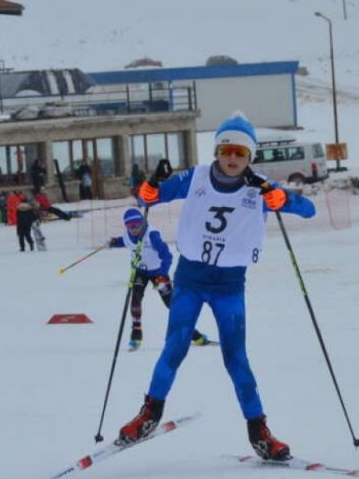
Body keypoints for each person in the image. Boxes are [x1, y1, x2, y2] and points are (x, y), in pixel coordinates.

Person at [118, 111, 315, 460]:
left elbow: (308, 210)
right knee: (174, 347)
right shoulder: (195, 178)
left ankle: (260, 432)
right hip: (191, 279)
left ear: (250, 156)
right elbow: (149, 197)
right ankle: (149, 414)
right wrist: (152, 181)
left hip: (229, 285)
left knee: (236, 359)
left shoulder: (260, 187)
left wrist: (281, 199)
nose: (233, 158)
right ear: (217, 151)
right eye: (227, 150)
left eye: (241, 153)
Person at [109, 208, 210, 350]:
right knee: (135, 298)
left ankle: (193, 333)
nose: (135, 229)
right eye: (131, 227)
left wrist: (162, 275)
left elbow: (167, 256)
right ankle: (136, 332)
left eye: (138, 226)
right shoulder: (128, 234)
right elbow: (125, 241)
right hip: (139, 272)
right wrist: (115, 242)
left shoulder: (152, 235)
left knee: (172, 304)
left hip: (158, 273)